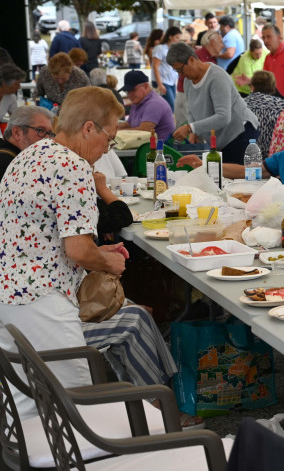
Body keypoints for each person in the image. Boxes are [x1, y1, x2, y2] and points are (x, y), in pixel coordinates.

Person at [0, 87, 178, 421]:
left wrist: (96, 250)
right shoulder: (74, 166)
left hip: (10, 297)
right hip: (45, 303)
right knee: (76, 410)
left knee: (30, 410)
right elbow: (78, 250)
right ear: (88, 128)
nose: (107, 148)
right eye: (109, 138)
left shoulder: (28, 157)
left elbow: (39, 236)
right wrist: (107, 260)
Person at [166, 42, 259, 164]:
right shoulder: (188, 81)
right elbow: (191, 110)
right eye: (176, 71)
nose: (180, 75)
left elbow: (223, 117)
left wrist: (190, 128)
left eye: (180, 70)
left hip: (240, 133)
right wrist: (194, 132)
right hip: (220, 139)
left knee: (236, 178)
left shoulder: (217, 77)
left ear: (192, 59)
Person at [0, 105, 54, 179]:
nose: (47, 139)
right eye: (40, 130)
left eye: (49, 133)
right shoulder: (9, 166)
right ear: (17, 132)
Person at [244, 70, 284, 159]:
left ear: (252, 86)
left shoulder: (242, 104)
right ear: (273, 86)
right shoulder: (281, 105)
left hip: (246, 156)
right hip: (272, 158)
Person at [151, 27, 181, 111]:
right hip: (162, 81)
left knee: (171, 106)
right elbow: (155, 66)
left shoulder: (174, 49)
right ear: (170, 36)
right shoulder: (160, 48)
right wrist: (159, 84)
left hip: (171, 81)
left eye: (179, 38)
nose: (178, 40)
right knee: (171, 107)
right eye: (177, 37)